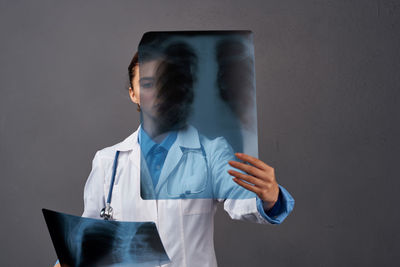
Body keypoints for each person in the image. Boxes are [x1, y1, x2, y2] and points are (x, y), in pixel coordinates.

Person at [54, 45, 295, 267]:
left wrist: (270, 198)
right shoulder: (109, 161)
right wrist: (66, 261)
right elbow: (90, 239)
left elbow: (239, 198)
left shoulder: (211, 151)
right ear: (133, 94)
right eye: (147, 84)